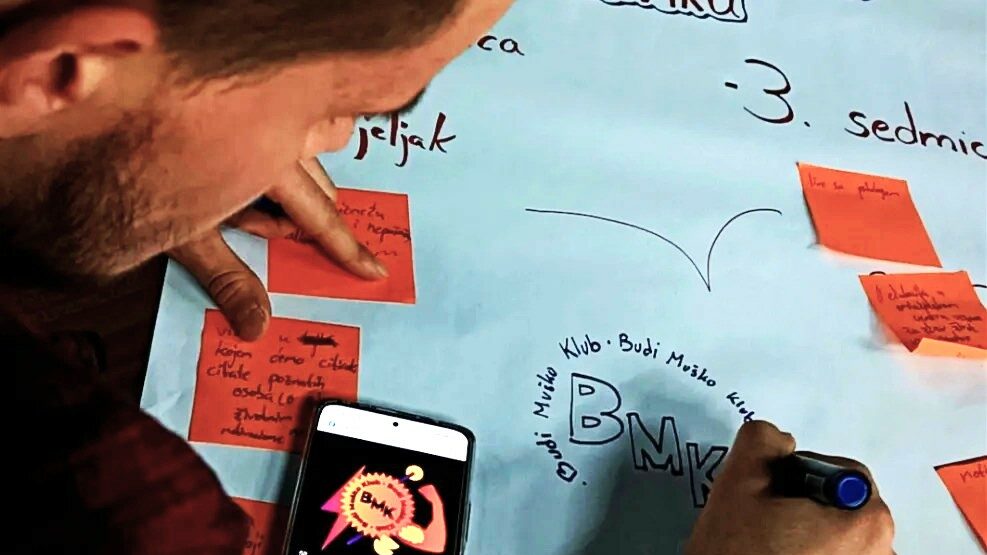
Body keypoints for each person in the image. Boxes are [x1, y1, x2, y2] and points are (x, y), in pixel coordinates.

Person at [0, 1, 894, 553]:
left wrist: (137, 146)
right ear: (65, 69)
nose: (335, 146)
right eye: (342, 108)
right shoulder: (120, 504)